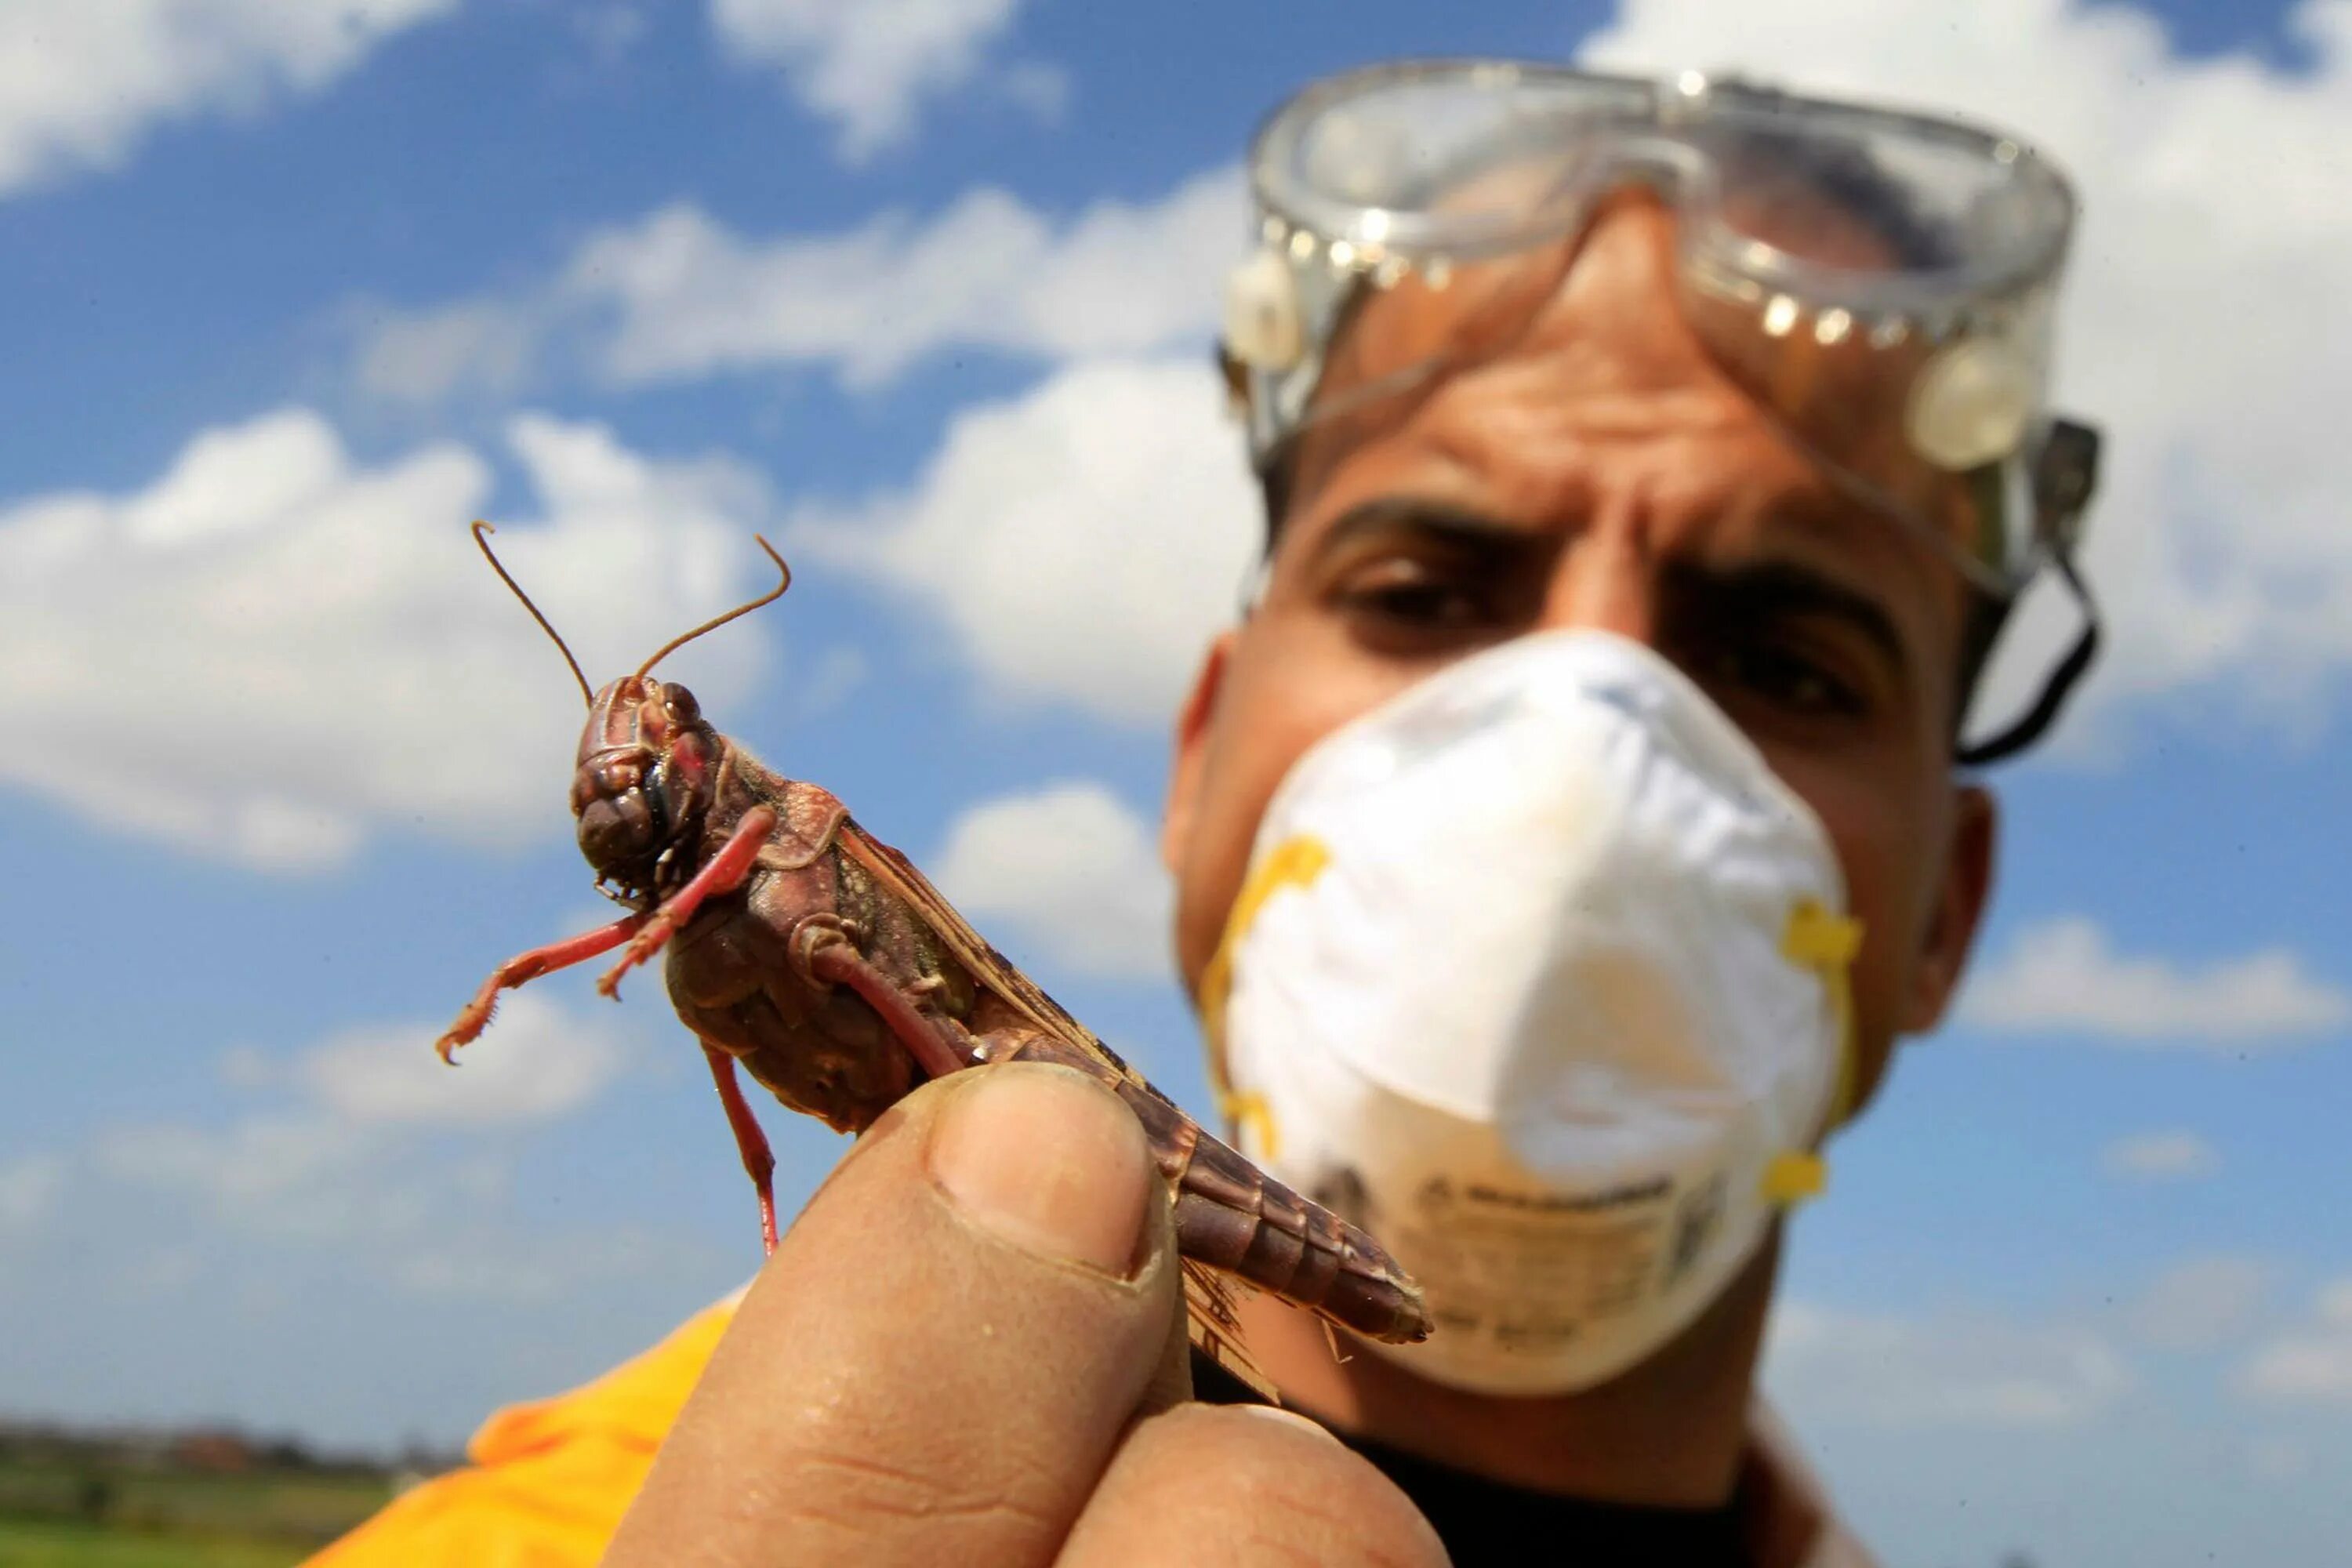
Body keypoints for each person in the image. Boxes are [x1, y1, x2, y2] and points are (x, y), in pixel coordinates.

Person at [314, 59, 2101, 1568]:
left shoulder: (801, 832)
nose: (1578, 766)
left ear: (1948, 909)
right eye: (1426, 588)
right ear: (1194, 761)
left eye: (1784, 662)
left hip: (1153, 1142)